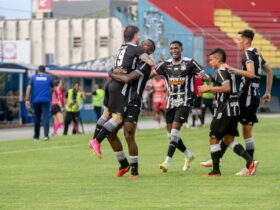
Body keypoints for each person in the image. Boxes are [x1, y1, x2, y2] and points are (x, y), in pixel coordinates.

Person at [208, 29, 273, 176]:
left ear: (246, 40)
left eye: (239, 40)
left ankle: (248, 164)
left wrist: (232, 69)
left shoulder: (248, 54)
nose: (237, 42)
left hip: (248, 96)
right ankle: (217, 160)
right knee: (231, 128)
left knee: (244, 132)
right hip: (252, 95)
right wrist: (267, 92)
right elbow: (269, 71)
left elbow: (251, 74)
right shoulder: (256, 52)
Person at [89, 25, 154, 158]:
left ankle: (95, 139)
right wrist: (150, 60)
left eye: (147, 44)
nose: (142, 42)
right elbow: (149, 63)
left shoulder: (122, 47)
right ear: (135, 35)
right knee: (117, 119)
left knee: (106, 114)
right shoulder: (137, 50)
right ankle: (96, 140)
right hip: (120, 86)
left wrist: (111, 72)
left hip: (110, 84)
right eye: (141, 39)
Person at [150, 40, 209, 173]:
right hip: (171, 102)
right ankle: (188, 155)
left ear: (181, 49)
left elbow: (205, 75)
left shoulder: (189, 63)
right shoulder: (165, 65)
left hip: (184, 101)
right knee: (170, 135)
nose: (174, 50)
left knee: (175, 133)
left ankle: (166, 162)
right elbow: (151, 74)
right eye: (172, 48)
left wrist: (204, 76)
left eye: (176, 48)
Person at [199, 48, 257, 176]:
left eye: (211, 59)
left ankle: (215, 170)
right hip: (234, 109)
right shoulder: (228, 71)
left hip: (225, 110)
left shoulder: (221, 71)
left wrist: (208, 89)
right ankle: (250, 161)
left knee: (213, 138)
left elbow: (226, 88)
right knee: (229, 139)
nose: (210, 62)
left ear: (218, 59)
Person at [106, 39, 156, 178]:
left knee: (128, 134)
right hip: (122, 100)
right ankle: (123, 163)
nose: (142, 45)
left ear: (150, 51)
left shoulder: (145, 65)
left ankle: (134, 169)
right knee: (110, 133)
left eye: (146, 45)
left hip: (134, 101)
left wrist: (111, 73)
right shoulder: (133, 62)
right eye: (142, 43)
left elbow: (127, 78)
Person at [25, 65, 53, 141]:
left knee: (37, 118)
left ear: (38, 70)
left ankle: (36, 137)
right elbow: (52, 88)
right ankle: (46, 136)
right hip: (46, 100)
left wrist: (27, 99)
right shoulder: (48, 78)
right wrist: (49, 95)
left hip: (36, 100)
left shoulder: (33, 77)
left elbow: (28, 87)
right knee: (45, 118)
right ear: (44, 70)